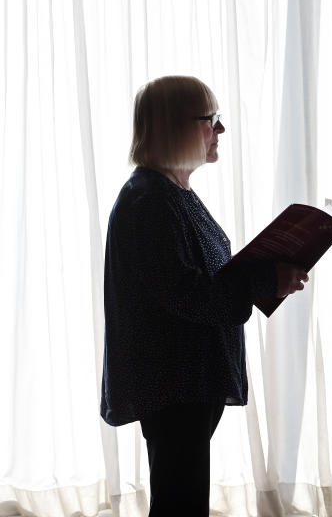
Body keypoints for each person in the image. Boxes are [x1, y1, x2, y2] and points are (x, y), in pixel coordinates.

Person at [100, 76, 309, 516]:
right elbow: (187, 294)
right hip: (173, 383)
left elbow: (203, 277)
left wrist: (267, 273)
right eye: (211, 120)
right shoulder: (149, 202)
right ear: (175, 126)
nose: (221, 130)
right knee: (180, 502)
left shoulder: (173, 192)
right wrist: (264, 282)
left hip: (188, 381)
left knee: (184, 496)